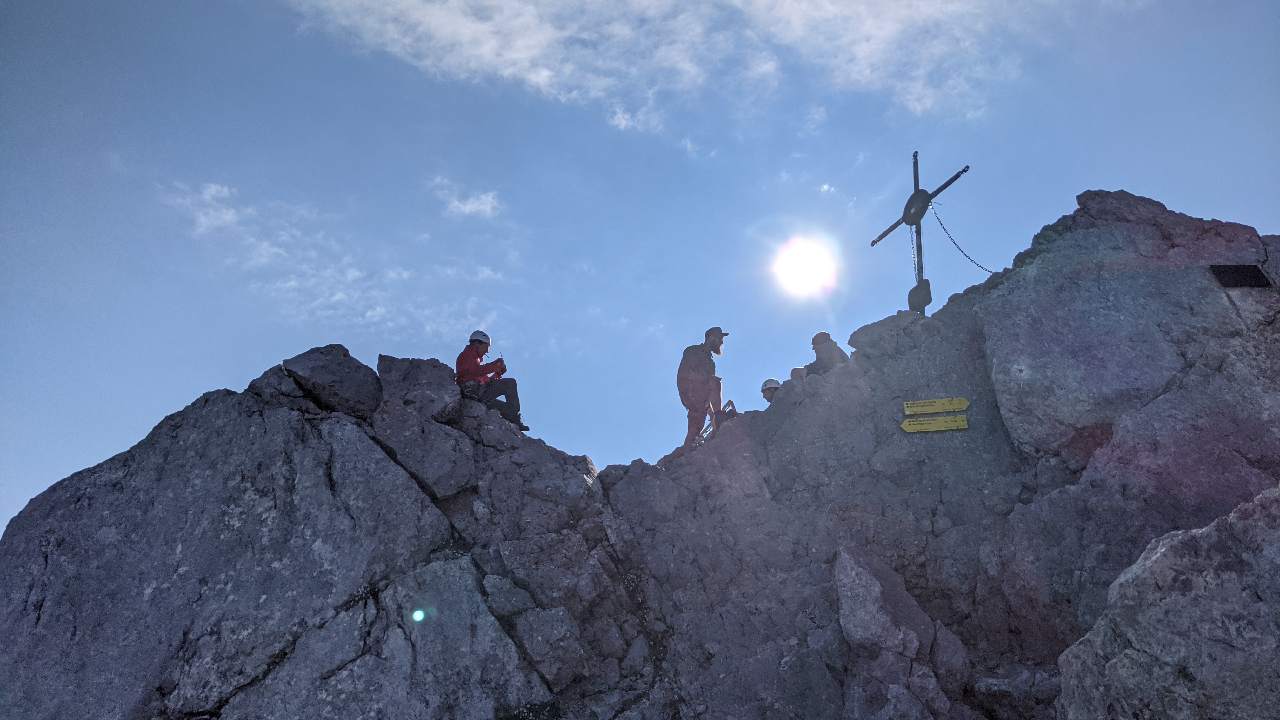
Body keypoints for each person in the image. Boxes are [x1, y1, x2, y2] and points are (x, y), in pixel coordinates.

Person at [455, 330, 528, 431]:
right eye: (487, 346)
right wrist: (494, 367)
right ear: (478, 343)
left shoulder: (475, 361)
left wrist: (497, 373)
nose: (487, 351)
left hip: (478, 393)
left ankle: (513, 418)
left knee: (508, 408)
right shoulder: (467, 354)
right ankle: (514, 417)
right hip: (473, 391)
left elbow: (485, 380)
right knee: (510, 383)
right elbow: (472, 371)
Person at [677, 326, 729, 447]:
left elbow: (711, 393)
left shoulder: (711, 363)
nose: (721, 341)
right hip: (690, 392)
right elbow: (684, 374)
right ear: (710, 337)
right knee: (714, 381)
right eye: (719, 338)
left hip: (700, 400)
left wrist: (711, 416)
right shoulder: (693, 351)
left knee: (693, 435)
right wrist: (689, 397)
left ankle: (667, 462)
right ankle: (719, 418)